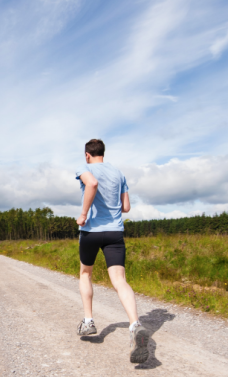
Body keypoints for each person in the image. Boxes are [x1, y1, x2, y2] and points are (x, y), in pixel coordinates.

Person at [75, 139, 149, 364]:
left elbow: (92, 184)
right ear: (102, 153)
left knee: (86, 273)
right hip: (115, 232)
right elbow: (126, 207)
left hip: (91, 231)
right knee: (119, 280)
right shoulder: (118, 173)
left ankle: (88, 321)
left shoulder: (84, 168)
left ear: (87, 155)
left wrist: (84, 214)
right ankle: (135, 324)